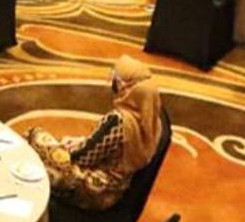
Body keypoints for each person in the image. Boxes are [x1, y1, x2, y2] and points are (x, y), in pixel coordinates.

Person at [22, 56, 164, 209]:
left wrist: (64, 147)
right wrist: (83, 141)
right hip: (117, 188)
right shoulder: (153, 121)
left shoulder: (117, 121)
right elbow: (115, 147)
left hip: (93, 189)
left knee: (33, 135)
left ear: (124, 88)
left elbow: (82, 158)